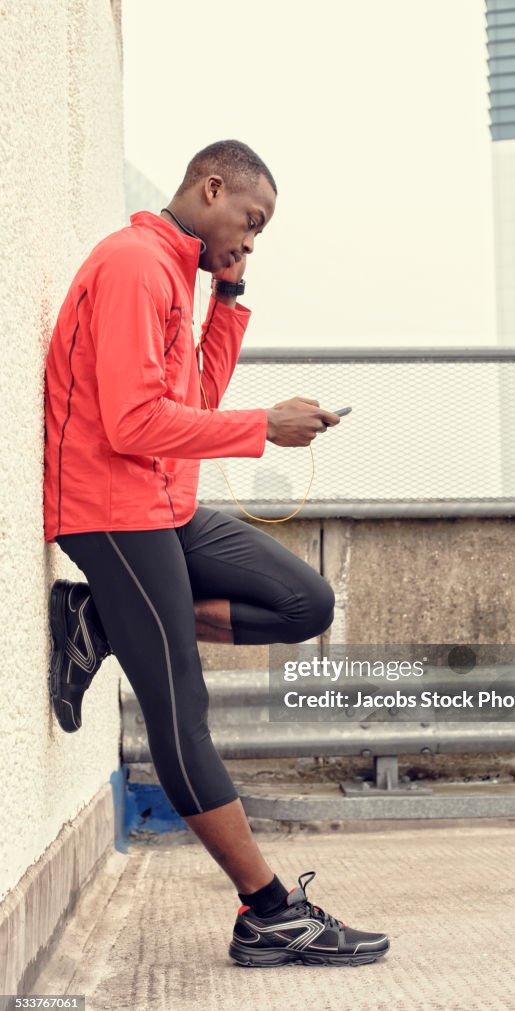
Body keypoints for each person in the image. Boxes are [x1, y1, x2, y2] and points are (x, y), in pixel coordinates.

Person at [43, 139, 389, 967]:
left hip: (166, 502)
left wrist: (227, 298)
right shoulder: (133, 264)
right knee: (180, 712)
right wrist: (263, 428)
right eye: (250, 220)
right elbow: (130, 424)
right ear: (211, 187)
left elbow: (190, 399)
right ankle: (267, 911)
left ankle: (100, 619)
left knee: (305, 602)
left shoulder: (175, 274)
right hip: (114, 510)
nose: (251, 238)